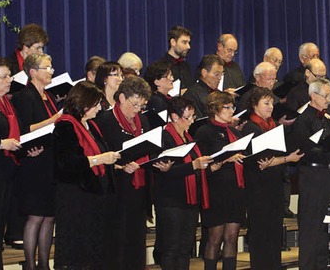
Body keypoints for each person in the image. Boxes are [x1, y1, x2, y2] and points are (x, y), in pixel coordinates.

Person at [95, 76, 167, 270]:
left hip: (139, 187)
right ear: (121, 98)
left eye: (142, 105)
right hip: (116, 189)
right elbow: (100, 155)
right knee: (116, 239)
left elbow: (150, 148)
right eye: (135, 104)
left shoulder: (143, 119)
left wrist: (157, 161)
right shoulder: (105, 121)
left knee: (136, 239)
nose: (138, 109)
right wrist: (118, 166)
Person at [52, 81, 120, 269]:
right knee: (77, 250)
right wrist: (100, 159)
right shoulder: (66, 126)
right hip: (76, 197)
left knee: (94, 250)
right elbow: (67, 163)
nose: (100, 108)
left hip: (94, 196)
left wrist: (112, 162)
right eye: (96, 103)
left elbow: (101, 153)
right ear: (83, 103)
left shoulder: (90, 125)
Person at [288, 78, 330, 270]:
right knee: (311, 228)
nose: (329, 100)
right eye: (326, 96)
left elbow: (327, 143)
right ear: (313, 96)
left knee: (327, 227)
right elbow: (305, 150)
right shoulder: (303, 119)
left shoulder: (326, 117)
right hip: (312, 175)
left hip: (328, 176)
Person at [241, 87, 303, 269]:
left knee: (274, 235)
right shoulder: (251, 127)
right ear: (254, 105)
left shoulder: (272, 125)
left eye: (271, 103)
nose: (270, 107)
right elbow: (260, 162)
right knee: (261, 235)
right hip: (258, 189)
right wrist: (287, 158)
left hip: (274, 186)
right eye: (266, 103)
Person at [11, 54, 63, 270]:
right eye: (47, 68)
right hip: (34, 162)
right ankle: (30, 265)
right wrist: (54, 119)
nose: (51, 71)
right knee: (35, 215)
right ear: (33, 72)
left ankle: (44, 263)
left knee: (49, 216)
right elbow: (26, 128)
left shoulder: (48, 96)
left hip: (50, 161)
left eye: (51, 68)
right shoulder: (25, 96)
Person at [154, 96, 212, 269]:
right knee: (171, 247)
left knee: (186, 247)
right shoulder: (164, 137)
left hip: (190, 200)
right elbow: (162, 171)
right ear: (174, 117)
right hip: (171, 200)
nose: (192, 121)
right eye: (188, 117)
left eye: (193, 117)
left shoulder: (188, 137)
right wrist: (193, 165)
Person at [194, 91, 247, 270]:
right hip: (215, 190)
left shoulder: (234, 132)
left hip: (235, 189)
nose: (232, 110)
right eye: (227, 107)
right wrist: (225, 159)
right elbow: (203, 167)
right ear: (215, 109)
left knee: (232, 237)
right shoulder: (205, 132)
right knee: (215, 238)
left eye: (232, 107)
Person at [0, 56, 23, 268]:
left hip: (4, 172)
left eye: (9, 75)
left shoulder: (4, 102)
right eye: (3, 77)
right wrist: (1, 144)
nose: (9, 80)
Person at [158, 25, 194, 92]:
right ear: (173, 42)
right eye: (184, 42)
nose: (188, 47)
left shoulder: (186, 67)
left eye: (188, 43)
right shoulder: (160, 66)